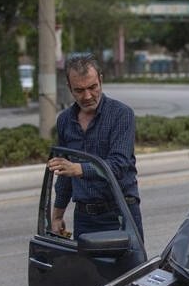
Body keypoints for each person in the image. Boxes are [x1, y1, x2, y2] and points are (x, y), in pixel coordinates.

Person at [48, 53, 144, 240]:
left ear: (101, 80)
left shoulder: (121, 114)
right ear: (69, 88)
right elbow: (64, 174)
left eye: (92, 87)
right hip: (84, 218)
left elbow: (118, 165)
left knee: (128, 261)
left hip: (120, 213)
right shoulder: (65, 121)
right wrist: (57, 216)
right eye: (79, 90)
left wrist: (78, 169)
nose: (87, 96)